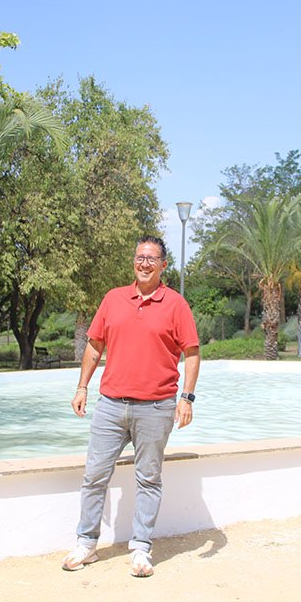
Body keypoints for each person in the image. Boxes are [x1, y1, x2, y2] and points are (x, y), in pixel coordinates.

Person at [62, 235, 200, 578]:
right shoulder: (113, 299)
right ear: (133, 261)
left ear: (163, 265)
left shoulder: (176, 304)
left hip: (156, 407)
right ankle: (86, 543)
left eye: (152, 258)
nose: (145, 263)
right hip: (110, 406)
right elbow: (94, 347)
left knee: (148, 478)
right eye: (140, 257)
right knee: (94, 475)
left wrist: (186, 398)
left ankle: (141, 548)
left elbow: (192, 353)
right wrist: (82, 387)